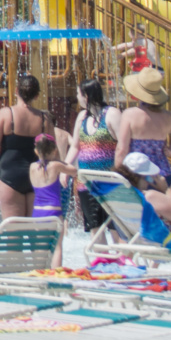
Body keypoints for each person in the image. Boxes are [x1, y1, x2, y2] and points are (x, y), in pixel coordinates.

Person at [0, 72, 47, 218]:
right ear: (36, 96)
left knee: (12, 232)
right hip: (36, 176)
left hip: (10, 176)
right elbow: (52, 152)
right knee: (35, 231)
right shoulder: (44, 119)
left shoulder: (6, 114)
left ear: (16, 90)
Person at [115, 69, 171, 184]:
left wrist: (118, 174)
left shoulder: (130, 115)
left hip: (137, 175)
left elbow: (121, 149)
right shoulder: (168, 117)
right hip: (162, 174)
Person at [69, 79, 118, 233]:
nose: (77, 97)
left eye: (78, 94)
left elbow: (124, 144)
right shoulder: (82, 117)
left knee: (116, 230)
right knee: (95, 230)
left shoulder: (111, 114)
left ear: (87, 96)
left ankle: (120, 258)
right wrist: (65, 169)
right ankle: (101, 258)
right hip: (87, 184)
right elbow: (75, 147)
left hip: (110, 183)